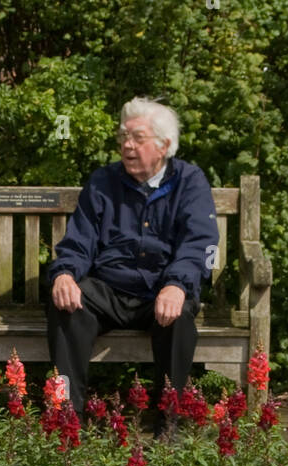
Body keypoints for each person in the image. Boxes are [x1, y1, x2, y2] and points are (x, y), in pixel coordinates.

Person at [46, 97, 219, 436]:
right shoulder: (102, 181)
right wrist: (65, 272)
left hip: (162, 289)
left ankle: (170, 423)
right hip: (110, 289)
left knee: (179, 314)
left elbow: (200, 243)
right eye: (124, 137)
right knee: (65, 304)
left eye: (137, 138)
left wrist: (177, 284)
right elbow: (79, 239)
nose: (127, 145)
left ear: (163, 145)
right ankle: (67, 417)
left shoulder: (190, 182)